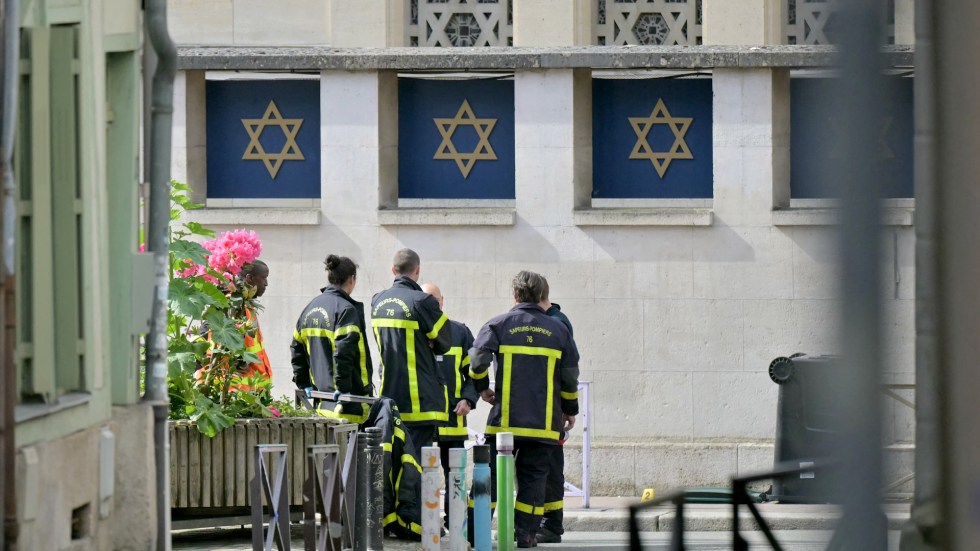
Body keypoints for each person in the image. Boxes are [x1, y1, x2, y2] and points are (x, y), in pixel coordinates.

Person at [468, 271, 580, 548]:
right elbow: (569, 377)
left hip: (505, 421)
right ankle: (526, 536)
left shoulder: (499, 324)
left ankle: (475, 534)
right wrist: (570, 409)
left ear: (515, 295)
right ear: (542, 297)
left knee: (490, 476)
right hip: (542, 425)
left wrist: (482, 386)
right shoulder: (559, 330)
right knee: (533, 481)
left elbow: (477, 360)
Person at [371, 248, 453, 458]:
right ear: (417, 270)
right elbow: (445, 341)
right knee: (415, 465)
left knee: (393, 461)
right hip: (419, 402)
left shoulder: (377, 301)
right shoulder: (422, 301)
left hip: (389, 398)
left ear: (393, 270)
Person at [290, 255, 374, 424]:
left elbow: (296, 348)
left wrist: (303, 383)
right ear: (351, 279)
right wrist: (343, 389)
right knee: (353, 450)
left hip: (322, 405)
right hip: (350, 407)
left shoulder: (309, 309)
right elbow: (344, 352)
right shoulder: (345, 310)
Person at [421, 282, 478, 529]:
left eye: (435, 300)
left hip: (453, 421)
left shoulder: (460, 332)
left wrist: (468, 399)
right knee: (420, 475)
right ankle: (425, 524)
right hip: (422, 421)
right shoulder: (413, 333)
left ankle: (455, 525)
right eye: (427, 301)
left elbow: (475, 373)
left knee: (455, 477)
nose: (433, 305)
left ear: (442, 301)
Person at [536, 280, 573, 544]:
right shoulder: (549, 320)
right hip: (540, 408)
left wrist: (567, 408)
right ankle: (543, 523)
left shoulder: (557, 322)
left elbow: (567, 369)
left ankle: (551, 524)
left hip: (551, 409)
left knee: (550, 468)